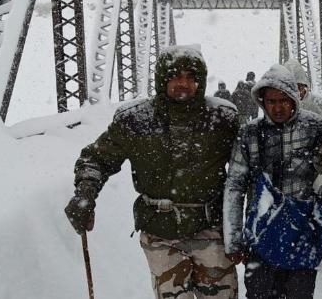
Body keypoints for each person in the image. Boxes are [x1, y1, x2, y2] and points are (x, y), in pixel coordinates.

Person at [64, 45, 240, 299]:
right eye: (176, 76)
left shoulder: (222, 119)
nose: (184, 83)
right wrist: (85, 192)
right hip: (159, 231)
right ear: (161, 79)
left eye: (191, 77)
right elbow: (97, 158)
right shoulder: (135, 120)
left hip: (212, 229)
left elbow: (247, 167)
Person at [223, 64, 322, 299]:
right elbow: (235, 186)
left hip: (302, 236)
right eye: (271, 101)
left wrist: (319, 225)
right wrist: (233, 240)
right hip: (260, 238)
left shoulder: (315, 127)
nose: (277, 107)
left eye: (284, 99)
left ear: (294, 98)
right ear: (262, 102)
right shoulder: (249, 134)